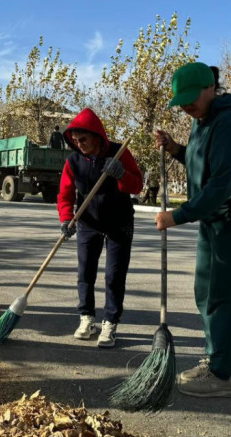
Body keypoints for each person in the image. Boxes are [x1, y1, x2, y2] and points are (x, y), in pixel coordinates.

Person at [154, 62, 231, 398]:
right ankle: (215, 357)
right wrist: (177, 149)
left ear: (211, 88)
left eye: (192, 98)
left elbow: (222, 184)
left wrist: (178, 215)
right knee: (205, 291)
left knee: (227, 296)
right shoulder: (203, 120)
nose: (187, 106)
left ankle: (221, 376)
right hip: (215, 219)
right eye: (182, 102)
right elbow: (201, 161)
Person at [57, 108, 143, 348]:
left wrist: (121, 174)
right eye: (75, 140)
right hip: (87, 223)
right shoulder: (73, 161)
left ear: (97, 136)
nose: (78, 143)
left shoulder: (119, 153)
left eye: (83, 139)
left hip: (119, 223)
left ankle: (110, 323)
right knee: (85, 272)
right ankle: (87, 318)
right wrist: (66, 218)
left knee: (114, 276)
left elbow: (137, 185)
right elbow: (64, 194)